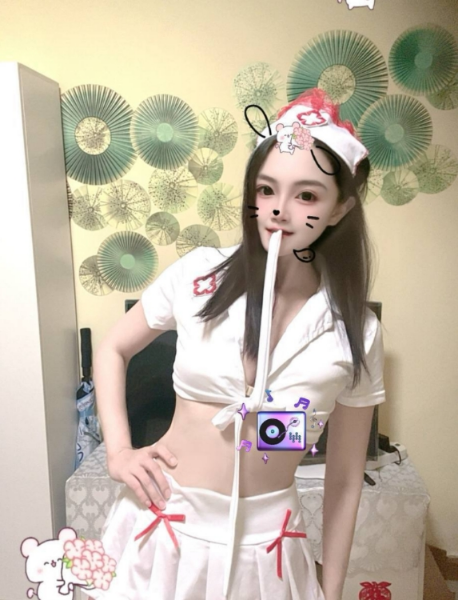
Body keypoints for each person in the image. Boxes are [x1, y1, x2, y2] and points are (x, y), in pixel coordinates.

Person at [88, 87, 386, 600]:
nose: (279, 210)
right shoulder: (199, 275)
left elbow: (344, 478)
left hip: (266, 551)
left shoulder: (356, 330)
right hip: (161, 529)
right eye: (266, 190)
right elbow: (113, 348)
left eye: (307, 196)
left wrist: (332, 590)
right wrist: (118, 451)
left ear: (340, 208)